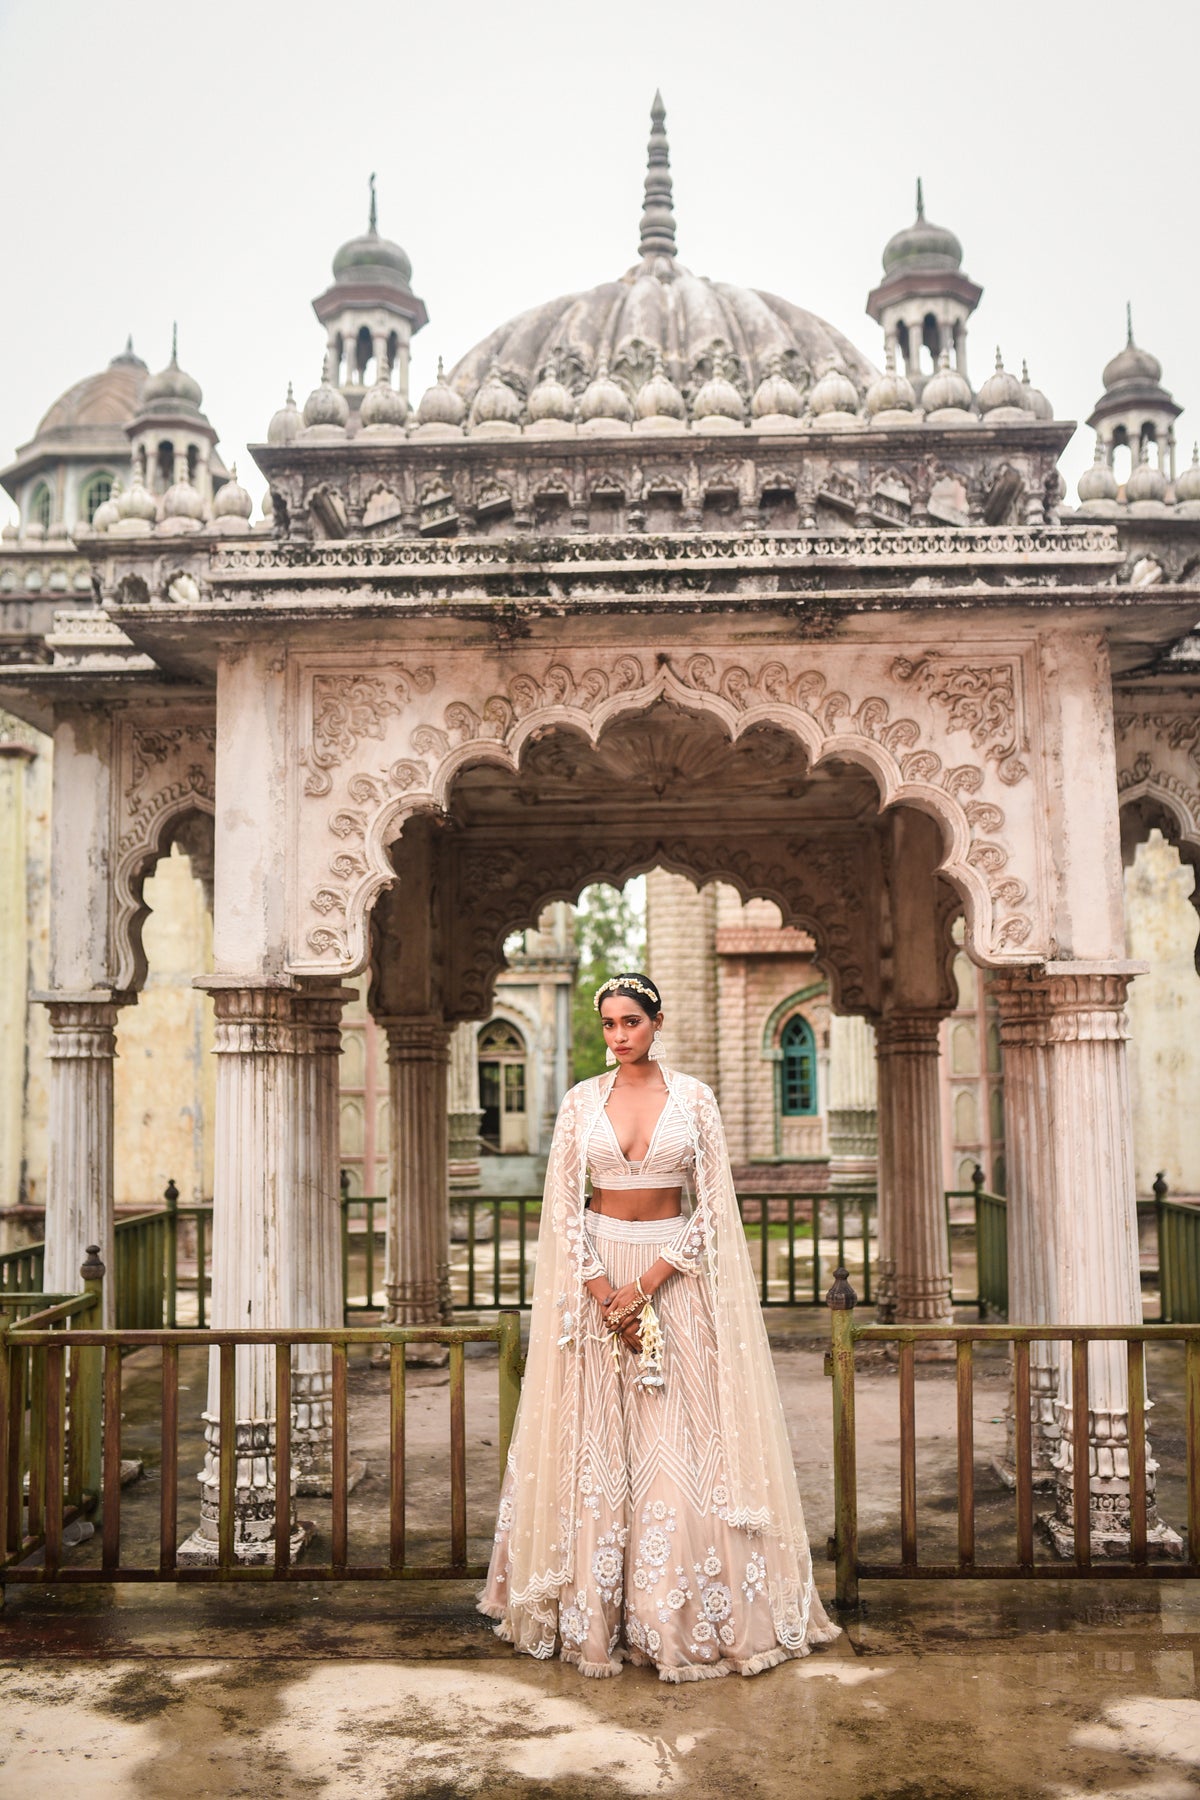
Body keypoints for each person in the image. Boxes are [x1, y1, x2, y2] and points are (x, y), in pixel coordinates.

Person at [479, 973, 840, 1681]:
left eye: (631, 1023)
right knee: (598, 1440)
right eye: (609, 1024)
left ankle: (678, 1617)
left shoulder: (695, 1099)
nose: (619, 1036)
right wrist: (603, 1291)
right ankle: (594, 1619)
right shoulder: (581, 1101)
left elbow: (715, 1207)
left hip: (672, 1280)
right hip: (596, 1281)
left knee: (680, 1439)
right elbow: (560, 1204)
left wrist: (645, 1286)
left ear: (656, 1022)